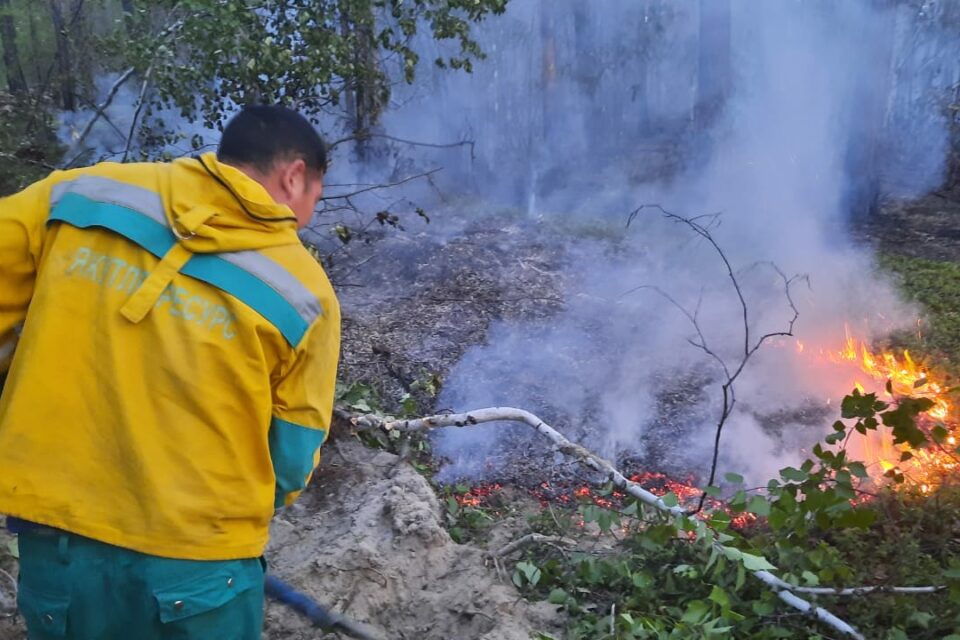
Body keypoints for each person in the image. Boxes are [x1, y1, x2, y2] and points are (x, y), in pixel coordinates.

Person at [0, 105, 340, 639]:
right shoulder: (304, 290)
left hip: (59, 550)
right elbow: (292, 455)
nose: (308, 219)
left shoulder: (77, 195)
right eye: (315, 199)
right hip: (201, 570)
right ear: (294, 176)